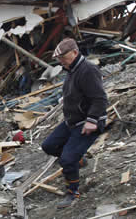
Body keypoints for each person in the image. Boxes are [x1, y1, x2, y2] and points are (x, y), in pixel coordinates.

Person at [41, 38, 108, 208]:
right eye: (59, 58)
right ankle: (78, 161)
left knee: (67, 159)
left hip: (87, 122)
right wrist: (67, 99)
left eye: (63, 57)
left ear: (75, 52)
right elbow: (78, 91)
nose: (61, 61)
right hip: (72, 121)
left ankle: (73, 193)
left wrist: (92, 121)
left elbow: (100, 99)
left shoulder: (88, 70)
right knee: (49, 146)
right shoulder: (72, 69)